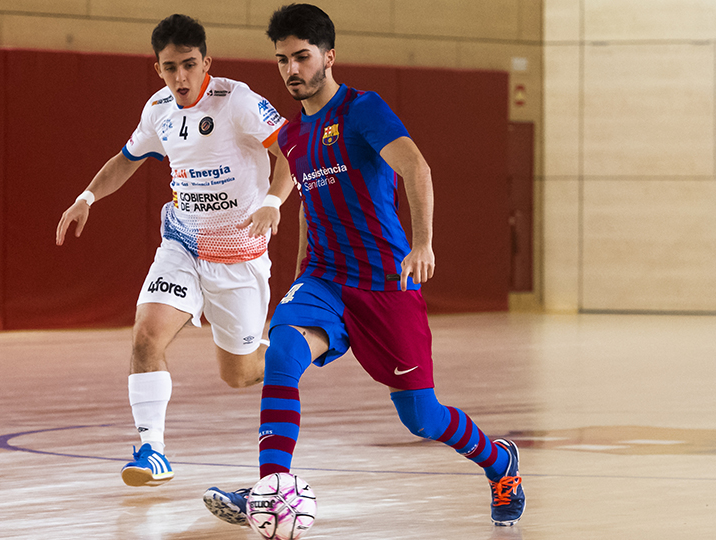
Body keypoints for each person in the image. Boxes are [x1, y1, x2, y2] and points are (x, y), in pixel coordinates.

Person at [202, 3, 525, 527]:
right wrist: (304, 267)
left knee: (422, 417)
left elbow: (415, 166)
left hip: (384, 283)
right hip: (325, 278)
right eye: (282, 60)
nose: (291, 70)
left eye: (302, 57)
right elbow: (309, 197)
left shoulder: (363, 109)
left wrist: (423, 244)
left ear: (329, 57)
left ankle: (499, 461)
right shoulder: (290, 136)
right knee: (283, 348)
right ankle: (269, 488)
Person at [56, 14, 292, 488]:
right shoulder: (158, 109)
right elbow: (126, 160)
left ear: (207, 61)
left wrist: (272, 201)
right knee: (146, 335)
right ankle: (152, 450)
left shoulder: (238, 101)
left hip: (238, 252)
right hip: (182, 241)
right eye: (170, 68)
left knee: (240, 374)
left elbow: (291, 150)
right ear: (157, 67)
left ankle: (299, 349)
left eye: (189, 65)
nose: (181, 78)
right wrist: (86, 197)